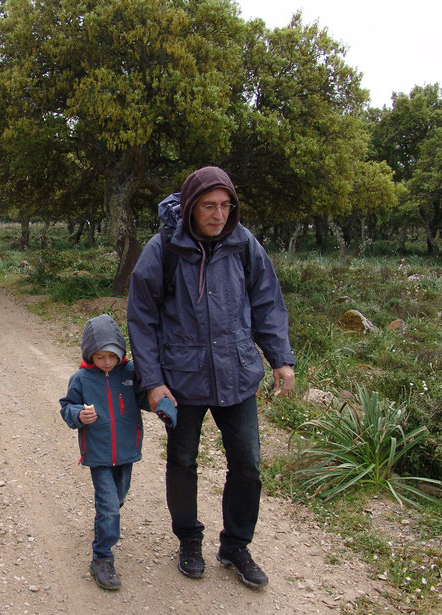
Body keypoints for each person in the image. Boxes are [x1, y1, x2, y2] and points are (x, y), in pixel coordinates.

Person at [127, 166, 295, 589]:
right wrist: (152, 381)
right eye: (209, 206)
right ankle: (188, 540)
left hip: (237, 375)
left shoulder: (243, 244)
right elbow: (142, 318)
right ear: (190, 207)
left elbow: (267, 301)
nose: (219, 214)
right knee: (182, 461)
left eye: (225, 205)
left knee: (248, 466)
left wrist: (281, 359)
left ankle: (235, 545)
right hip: (180, 381)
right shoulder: (164, 248)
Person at [59, 314, 149, 591]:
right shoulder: (82, 378)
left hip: (126, 450)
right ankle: (102, 556)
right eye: (99, 357)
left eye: (111, 356)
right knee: (109, 505)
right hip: (98, 452)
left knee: (118, 498)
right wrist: (77, 415)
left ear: (120, 352)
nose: (106, 362)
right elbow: (67, 406)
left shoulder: (131, 373)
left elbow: (145, 399)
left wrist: (162, 403)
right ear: (90, 356)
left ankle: (105, 521)